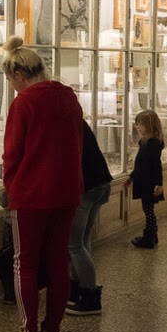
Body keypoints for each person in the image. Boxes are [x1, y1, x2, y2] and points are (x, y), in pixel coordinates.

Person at [1, 36, 84, 332]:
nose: (12, 86)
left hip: (32, 194)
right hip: (66, 191)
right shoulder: (69, 97)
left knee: (25, 262)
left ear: (19, 75)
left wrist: (11, 187)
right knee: (58, 260)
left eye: (10, 80)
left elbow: (12, 153)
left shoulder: (24, 103)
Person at [65, 122, 112, 315]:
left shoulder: (65, 127)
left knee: (74, 245)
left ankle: (90, 296)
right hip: (100, 184)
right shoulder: (78, 123)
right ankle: (77, 290)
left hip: (86, 188)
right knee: (83, 241)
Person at [124, 109, 164, 249]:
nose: (137, 127)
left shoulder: (153, 144)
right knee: (148, 210)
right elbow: (141, 164)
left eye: (139, 124)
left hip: (149, 184)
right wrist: (131, 177)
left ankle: (149, 238)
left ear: (149, 124)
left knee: (148, 210)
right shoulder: (145, 142)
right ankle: (152, 235)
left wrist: (159, 183)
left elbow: (156, 165)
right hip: (144, 181)